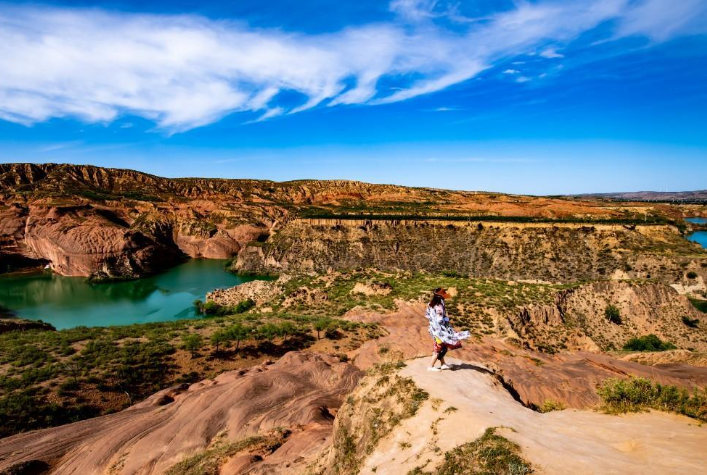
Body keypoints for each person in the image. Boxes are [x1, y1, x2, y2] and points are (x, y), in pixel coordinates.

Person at [425, 287, 469, 372]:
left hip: (433, 329)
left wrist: (433, 322)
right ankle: (431, 366)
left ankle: (443, 364)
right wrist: (446, 320)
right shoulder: (439, 306)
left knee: (443, 346)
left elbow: (427, 315)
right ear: (441, 297)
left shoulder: (430, 304)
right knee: (438, 348)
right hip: (440, 330)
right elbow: (440, 319)